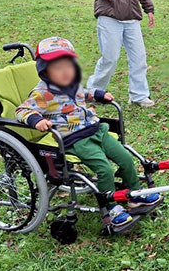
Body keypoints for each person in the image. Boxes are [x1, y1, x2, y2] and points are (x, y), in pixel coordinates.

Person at [15, 37, 161, 234]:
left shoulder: (72, 84)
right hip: (76, 140)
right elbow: (22, 110)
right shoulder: (42, 94)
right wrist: (35, 120)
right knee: (105, 170)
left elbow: (84, 93)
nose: (66, 71)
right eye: (58, 68)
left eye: (69, 66)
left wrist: (98, 94)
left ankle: (134, 196)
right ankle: (111, 208)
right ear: (45, 71)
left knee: (126, 158)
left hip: (97, 130)